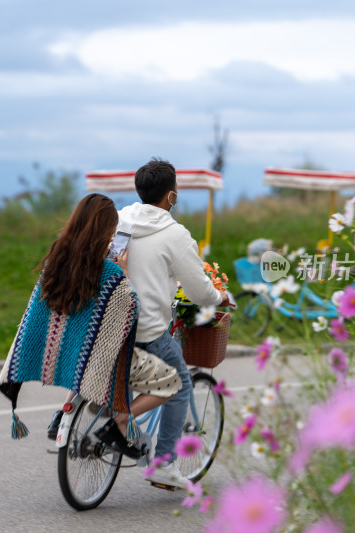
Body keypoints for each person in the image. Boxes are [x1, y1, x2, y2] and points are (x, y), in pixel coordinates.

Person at [0, 193, 181, 458]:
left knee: (82, 345)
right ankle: (120, 424)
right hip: (101, 364)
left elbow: (37, 315)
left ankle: (64, 411)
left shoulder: (55, 261)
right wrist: (126, 271)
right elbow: (132, 313)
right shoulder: (112, 274)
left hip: (68, 355)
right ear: (107, 231)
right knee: (171, 381)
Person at [117, 158, 231, 488]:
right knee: (179, 382)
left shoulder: (120, 219)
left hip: (110, 324)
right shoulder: (175, 234)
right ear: (170, 196)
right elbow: (200, 291)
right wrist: (221, 297)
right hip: (146, 329)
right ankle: (164, 463)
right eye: (176, 188)